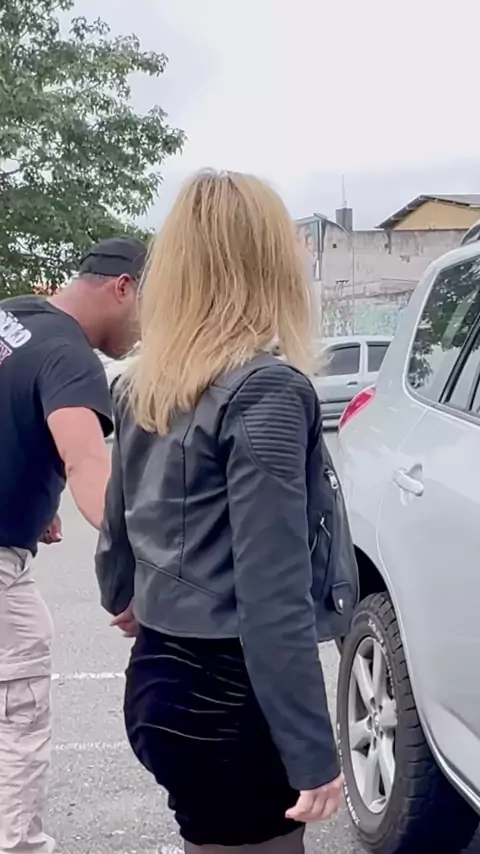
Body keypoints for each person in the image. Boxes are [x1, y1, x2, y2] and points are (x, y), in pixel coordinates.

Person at [95, 172, 358, 854]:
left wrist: (136, 598)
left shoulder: (143, 385)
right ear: (263, 263)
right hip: (231, 696)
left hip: (158, 676)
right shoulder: (266, 389)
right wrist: (311, 751)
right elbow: (272, 594)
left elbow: (117, 545)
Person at [0, 234, 146, 854]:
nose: (144, 333)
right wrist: (141, 572)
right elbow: (88, 466)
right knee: (17, 713)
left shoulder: (12, 315)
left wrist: (27, 502)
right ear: (123, 288)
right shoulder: (71, 356)